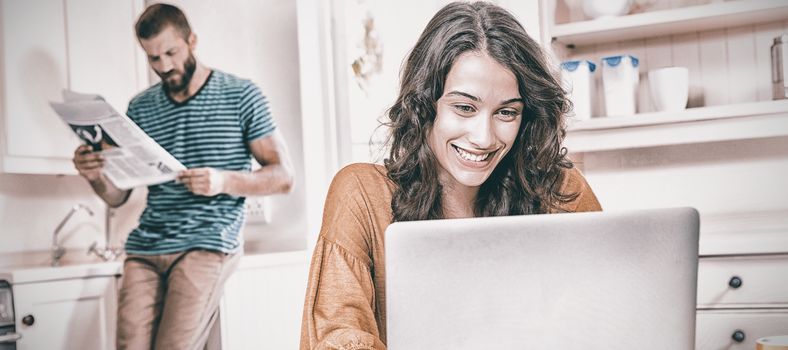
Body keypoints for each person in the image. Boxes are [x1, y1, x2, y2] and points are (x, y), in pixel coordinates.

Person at [299, 2, 602, 349]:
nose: (484, 137)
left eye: (506, 112)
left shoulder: (560, 189)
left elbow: (612, 311)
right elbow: (337, 334)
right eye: (464, 107)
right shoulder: (362, 195)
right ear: (425, 105)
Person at [72, 4, 294, 350]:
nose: (164, 66)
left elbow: (283, 177)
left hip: (207, 243)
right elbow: (119, 196)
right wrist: (95, 176)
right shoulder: (140, 108)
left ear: (192, 40)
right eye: (153, 58)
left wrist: (222, 181)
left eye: (171, 53)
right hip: (146, 247)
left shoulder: (241, 95)